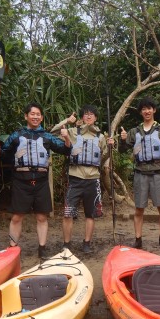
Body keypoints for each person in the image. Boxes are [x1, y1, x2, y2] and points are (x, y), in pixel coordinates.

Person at [0, 102, 72, 260]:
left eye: (38, 114)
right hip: (21, 180)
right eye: (32, 114)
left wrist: (67, 138)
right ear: (26, 116)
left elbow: (65, 150)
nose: (35, 117)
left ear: (41, 117)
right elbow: (5, 153)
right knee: (17, 217)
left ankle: (42, 249)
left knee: (42, 217)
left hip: (41, 181)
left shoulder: (47, 136)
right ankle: (12, 249)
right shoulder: (16, 135)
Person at [118, 97, 160, 250]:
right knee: (139, 208)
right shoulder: (134, 131)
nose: (147, 111)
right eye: (144, 109)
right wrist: (123, 140)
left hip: (158, 171)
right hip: (140, 172)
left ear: (154, 110)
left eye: (149, 108)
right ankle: (138, 239)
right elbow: (122, 149)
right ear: (140, 112)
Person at [50, 105, 108, 254]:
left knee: (90, 214)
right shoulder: (73, 132)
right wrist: (67, 121)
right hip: (75, 178)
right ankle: (66, 244)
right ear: (82, 117)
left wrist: (112, 146)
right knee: (68, 212)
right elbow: (53, 132)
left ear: (95, 118)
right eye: (86, 114)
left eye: (91, 114)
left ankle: (87, 242)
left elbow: (106, 155)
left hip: (93, 179)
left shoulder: (100, 137)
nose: (88, 117)